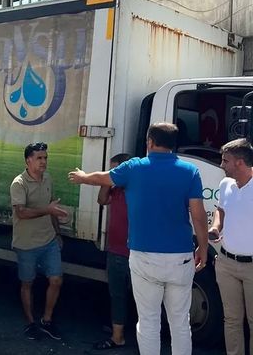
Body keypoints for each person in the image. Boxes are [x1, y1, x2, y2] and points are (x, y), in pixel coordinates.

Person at [68, 122, 208, 355]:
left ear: (150, 142)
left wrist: (82, 177)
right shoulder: (190, 171)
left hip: (144, 257)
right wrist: (202, 247)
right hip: (180, 257)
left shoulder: (134, 167)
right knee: (180, 322)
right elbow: (199, 215)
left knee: (149, 321)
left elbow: (102, 178)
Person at [10, 142, 68, 341]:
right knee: (27, 283)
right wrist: (48, 210)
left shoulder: (48, 178)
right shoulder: (19, 183)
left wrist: (58, 233)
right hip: (26, 243)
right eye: (39, 158)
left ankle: (47, 320)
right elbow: (21, 212)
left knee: (56, 280)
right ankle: (30, 323)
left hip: (48, 239)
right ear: (28, 160)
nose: (43, 162)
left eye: (45, 157)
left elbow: (51, 206)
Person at [210, 138, 253, 355]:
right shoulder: (225, 184)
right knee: (232, 320)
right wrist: (216, 227)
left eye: (225, 161)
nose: (221, 165)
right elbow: (221, 210)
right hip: (226, 262)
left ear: (240, 163)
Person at [94, 153, 131, 350]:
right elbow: (101, 199)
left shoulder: (136, 188)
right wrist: (107, 181)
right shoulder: (115, 190)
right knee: (117, 294)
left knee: (141, 297)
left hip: (134, 251)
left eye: (115, 170)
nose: (113, 174)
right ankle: (118, 336)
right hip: (115, 249)